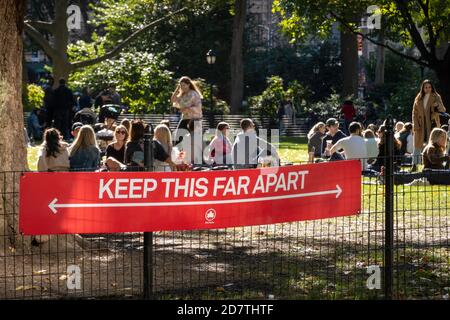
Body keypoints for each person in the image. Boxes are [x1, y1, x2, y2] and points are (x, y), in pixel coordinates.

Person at [411, 79, 446, 169]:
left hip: (432, 123)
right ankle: (414, 164)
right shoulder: (418, 97)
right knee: (417, 145)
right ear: (422, 88)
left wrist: (436, 105)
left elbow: (443, 109)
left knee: (433, 144)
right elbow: (414, 112)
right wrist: (415, 124)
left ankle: (436, 163)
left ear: (432, 88)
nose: (428, 89)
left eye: (429, 87)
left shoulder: (436, 96)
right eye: (426, 87)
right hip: (420, 124)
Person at [171, 76, 203, 144]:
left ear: (188, 84)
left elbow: (189, 105)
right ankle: (177, 152)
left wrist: (187, 109)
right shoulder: (182, 94)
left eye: (184, 85)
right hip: (185, 118)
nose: (182, 87)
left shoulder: (193, 94)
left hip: (194, 120)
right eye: (181, 85)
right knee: (177, 138)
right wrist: (177, 89)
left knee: (194, 140)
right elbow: (173, 100)